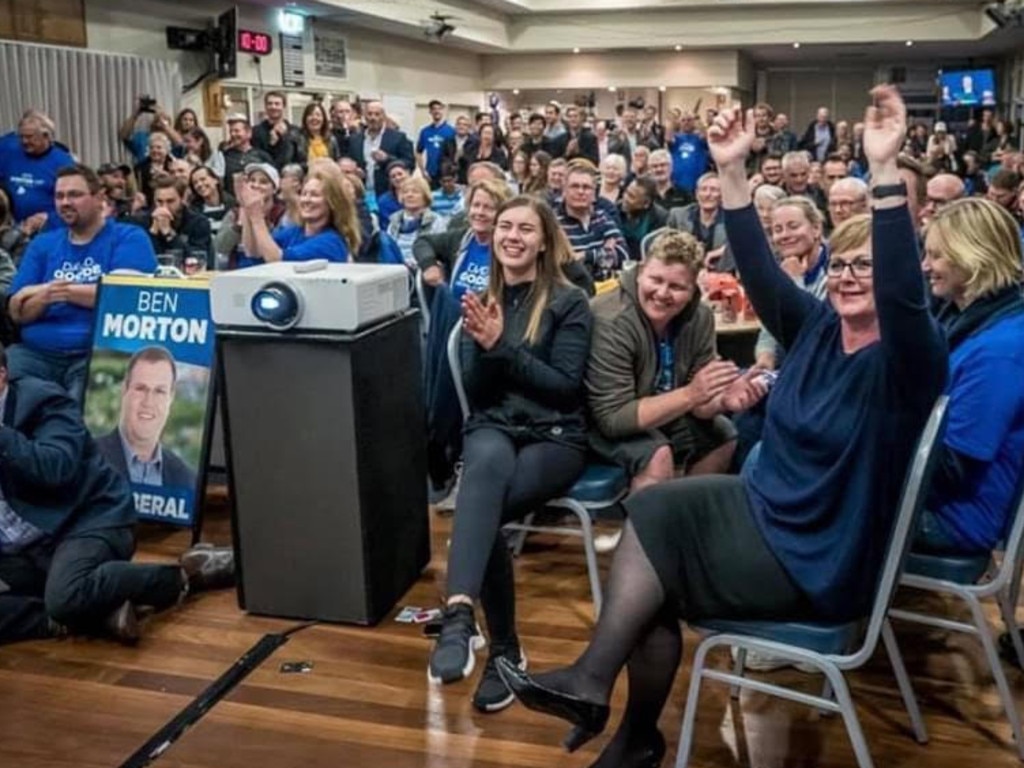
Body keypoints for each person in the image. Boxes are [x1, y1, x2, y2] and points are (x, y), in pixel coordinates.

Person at [497, 86, 947, 768]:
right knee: (652, 517)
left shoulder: (910, 359)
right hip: (767, 510)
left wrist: (884, 174)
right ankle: (625, 726)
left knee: (655, 569)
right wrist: (732, 171)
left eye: (871, 267)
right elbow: (762, 273)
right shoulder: (821, 328)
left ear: (897, 278)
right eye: (844, 265)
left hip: (818, 553)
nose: (854, 277)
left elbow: (904, 295)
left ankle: (612, 708)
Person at [426, 195, 593, 716]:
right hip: (495, 427)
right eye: (504, 227)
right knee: (486, 472)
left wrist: (502, 347)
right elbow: (477, 390)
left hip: (555, 434)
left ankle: (498, 645)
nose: (512, 236)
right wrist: (486, 346)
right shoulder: (482, 298)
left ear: (544, 240)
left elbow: (564, 389)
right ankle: (465, 624)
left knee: (482, 515)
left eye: (525, 228)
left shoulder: (570, 301)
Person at [0, 343, 233, 646]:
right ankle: (89, 616)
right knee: (66, 596)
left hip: (86, 520)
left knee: (67, 596)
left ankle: (185, 575)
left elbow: (55, 468)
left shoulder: (44, 402)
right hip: (19, 542)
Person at [917, 199, 1024, 556]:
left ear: (973, 257)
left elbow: (951, 470)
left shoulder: (1001, 350)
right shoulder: (969, 320)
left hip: (955, 518)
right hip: (944, 499)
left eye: (936, 256)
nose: (925, 266)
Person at [7, 165, 158, 403]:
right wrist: (48, 296)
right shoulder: (42, 244)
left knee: (76, 411)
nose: (65, 202)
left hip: (96, 353)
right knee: (13, 399)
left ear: (99, 198)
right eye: (59, 196)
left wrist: (51, 290)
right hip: (35, 354)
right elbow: (18, 311)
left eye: (75, 194)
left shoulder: (128, 237)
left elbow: (123, 298)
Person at [96, 346, 197, 489]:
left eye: (159, 391)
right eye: (141, 388)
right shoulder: (88, 459)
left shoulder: (186, 479)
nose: (148, 402)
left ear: (171, 397)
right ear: (124, 390)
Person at [237, 166, 360, 267]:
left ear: (332, 203)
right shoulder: (294, 232)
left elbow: (277, 262)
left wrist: (257, 218)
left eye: (314, 195)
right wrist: (247, 208)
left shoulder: (331, 241)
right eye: (304, 194)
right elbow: (254, 252)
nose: (306, 200)